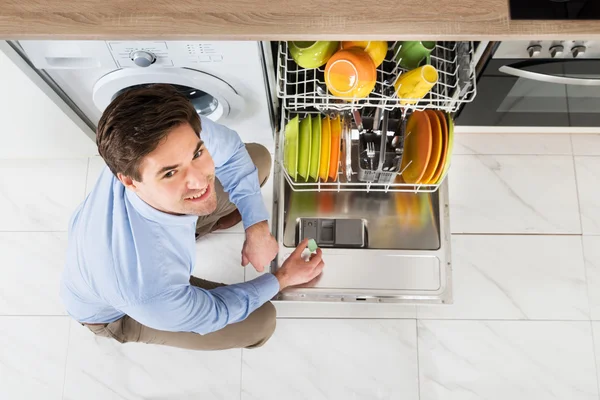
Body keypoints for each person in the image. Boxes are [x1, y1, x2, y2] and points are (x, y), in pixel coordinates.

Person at [60, 84, 324, 350]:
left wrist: (256, 226)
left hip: (141, 236)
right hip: (120, 310)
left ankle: (201, 223)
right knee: (261, 320)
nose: (200, 181)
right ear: (130, 181)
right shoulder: (148, 290)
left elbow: (232, 152)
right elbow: (216, 312)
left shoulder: (168, 136)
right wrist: (282, 278)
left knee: (257, 160)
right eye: (170, 173)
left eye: (197, 154)